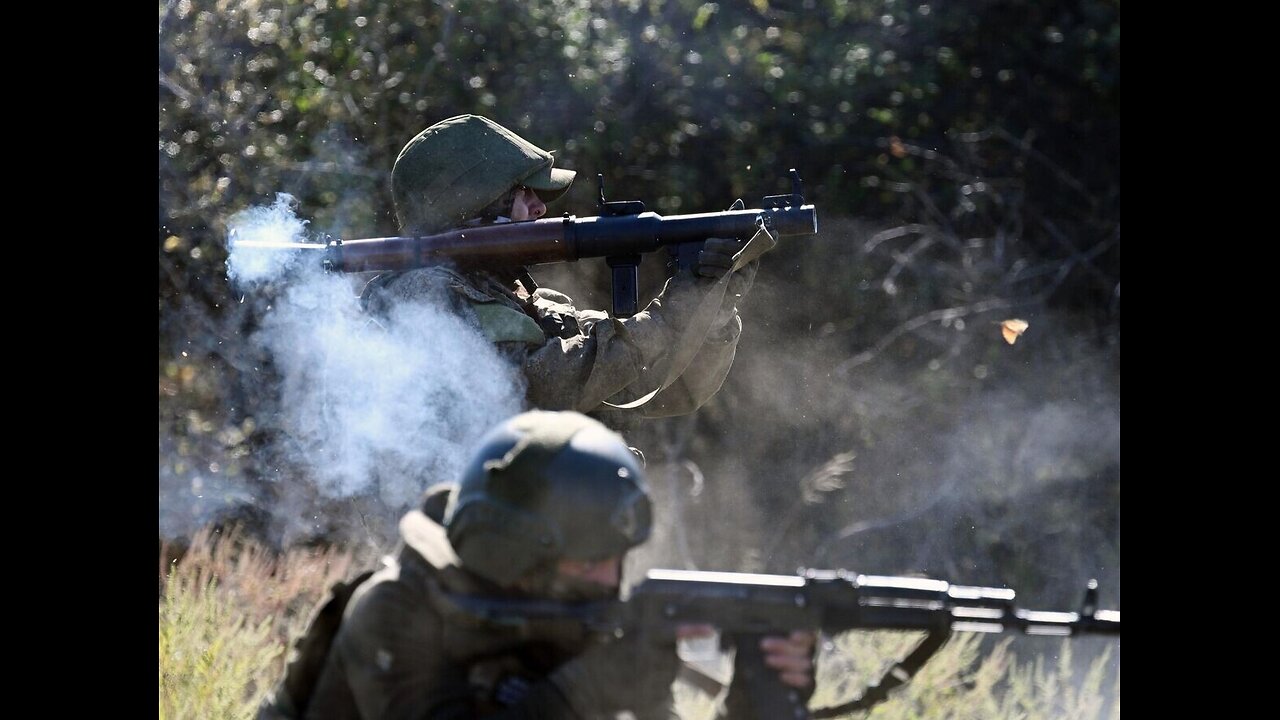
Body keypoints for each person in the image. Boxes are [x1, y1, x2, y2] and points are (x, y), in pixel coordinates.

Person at [271, 409, 816, 718]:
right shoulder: (397, 611)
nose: (610, 582)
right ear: (515, 558)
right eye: (589, 564)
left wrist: (749, 702)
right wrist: (584, 690)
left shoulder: (578, 629)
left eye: (617, 560)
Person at [360, 114, 763, 427]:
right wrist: (669, 315)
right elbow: (540, 387)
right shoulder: (424, 295)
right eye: (524, 195)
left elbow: (655, 389)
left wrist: (712, 312)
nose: (540, 209)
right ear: (478, 209)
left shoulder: (530, 303)